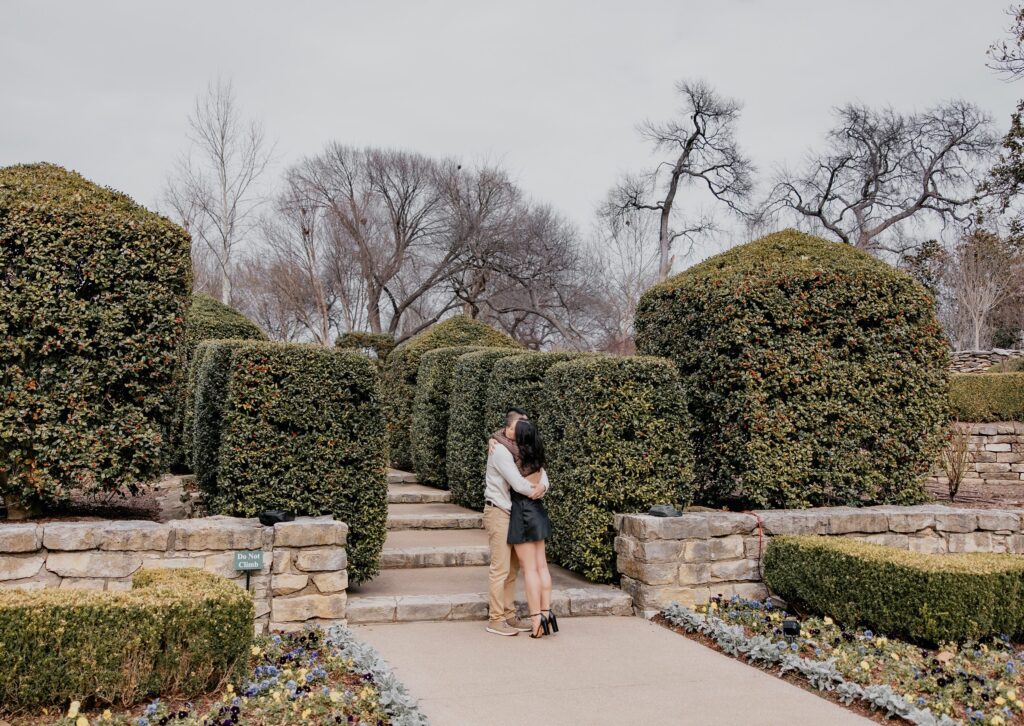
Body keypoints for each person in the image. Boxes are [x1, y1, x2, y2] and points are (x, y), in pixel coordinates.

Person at [483, 408, 548, 636]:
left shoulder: (520, 448)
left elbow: (540, 470)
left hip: (517, 513)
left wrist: (543, 486)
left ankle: (509, 614)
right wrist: (536, 489)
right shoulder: (500, 450)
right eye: (520, 426)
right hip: (500, 512)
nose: (524, 430)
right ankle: (496, 619)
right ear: (510, 428)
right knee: (500, 569)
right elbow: (519, 485)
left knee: (513, 570)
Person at [504, 418, 556, 639]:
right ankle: (546, 613)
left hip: (523, 511)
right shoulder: (537, 455)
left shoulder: (517, 458)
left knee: (530, 569)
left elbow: (517, 485)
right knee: (542, 566)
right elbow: (543, 479)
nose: (509, 431)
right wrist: (542, 487)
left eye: (514, 429)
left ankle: (536, 620)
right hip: (538, 511)